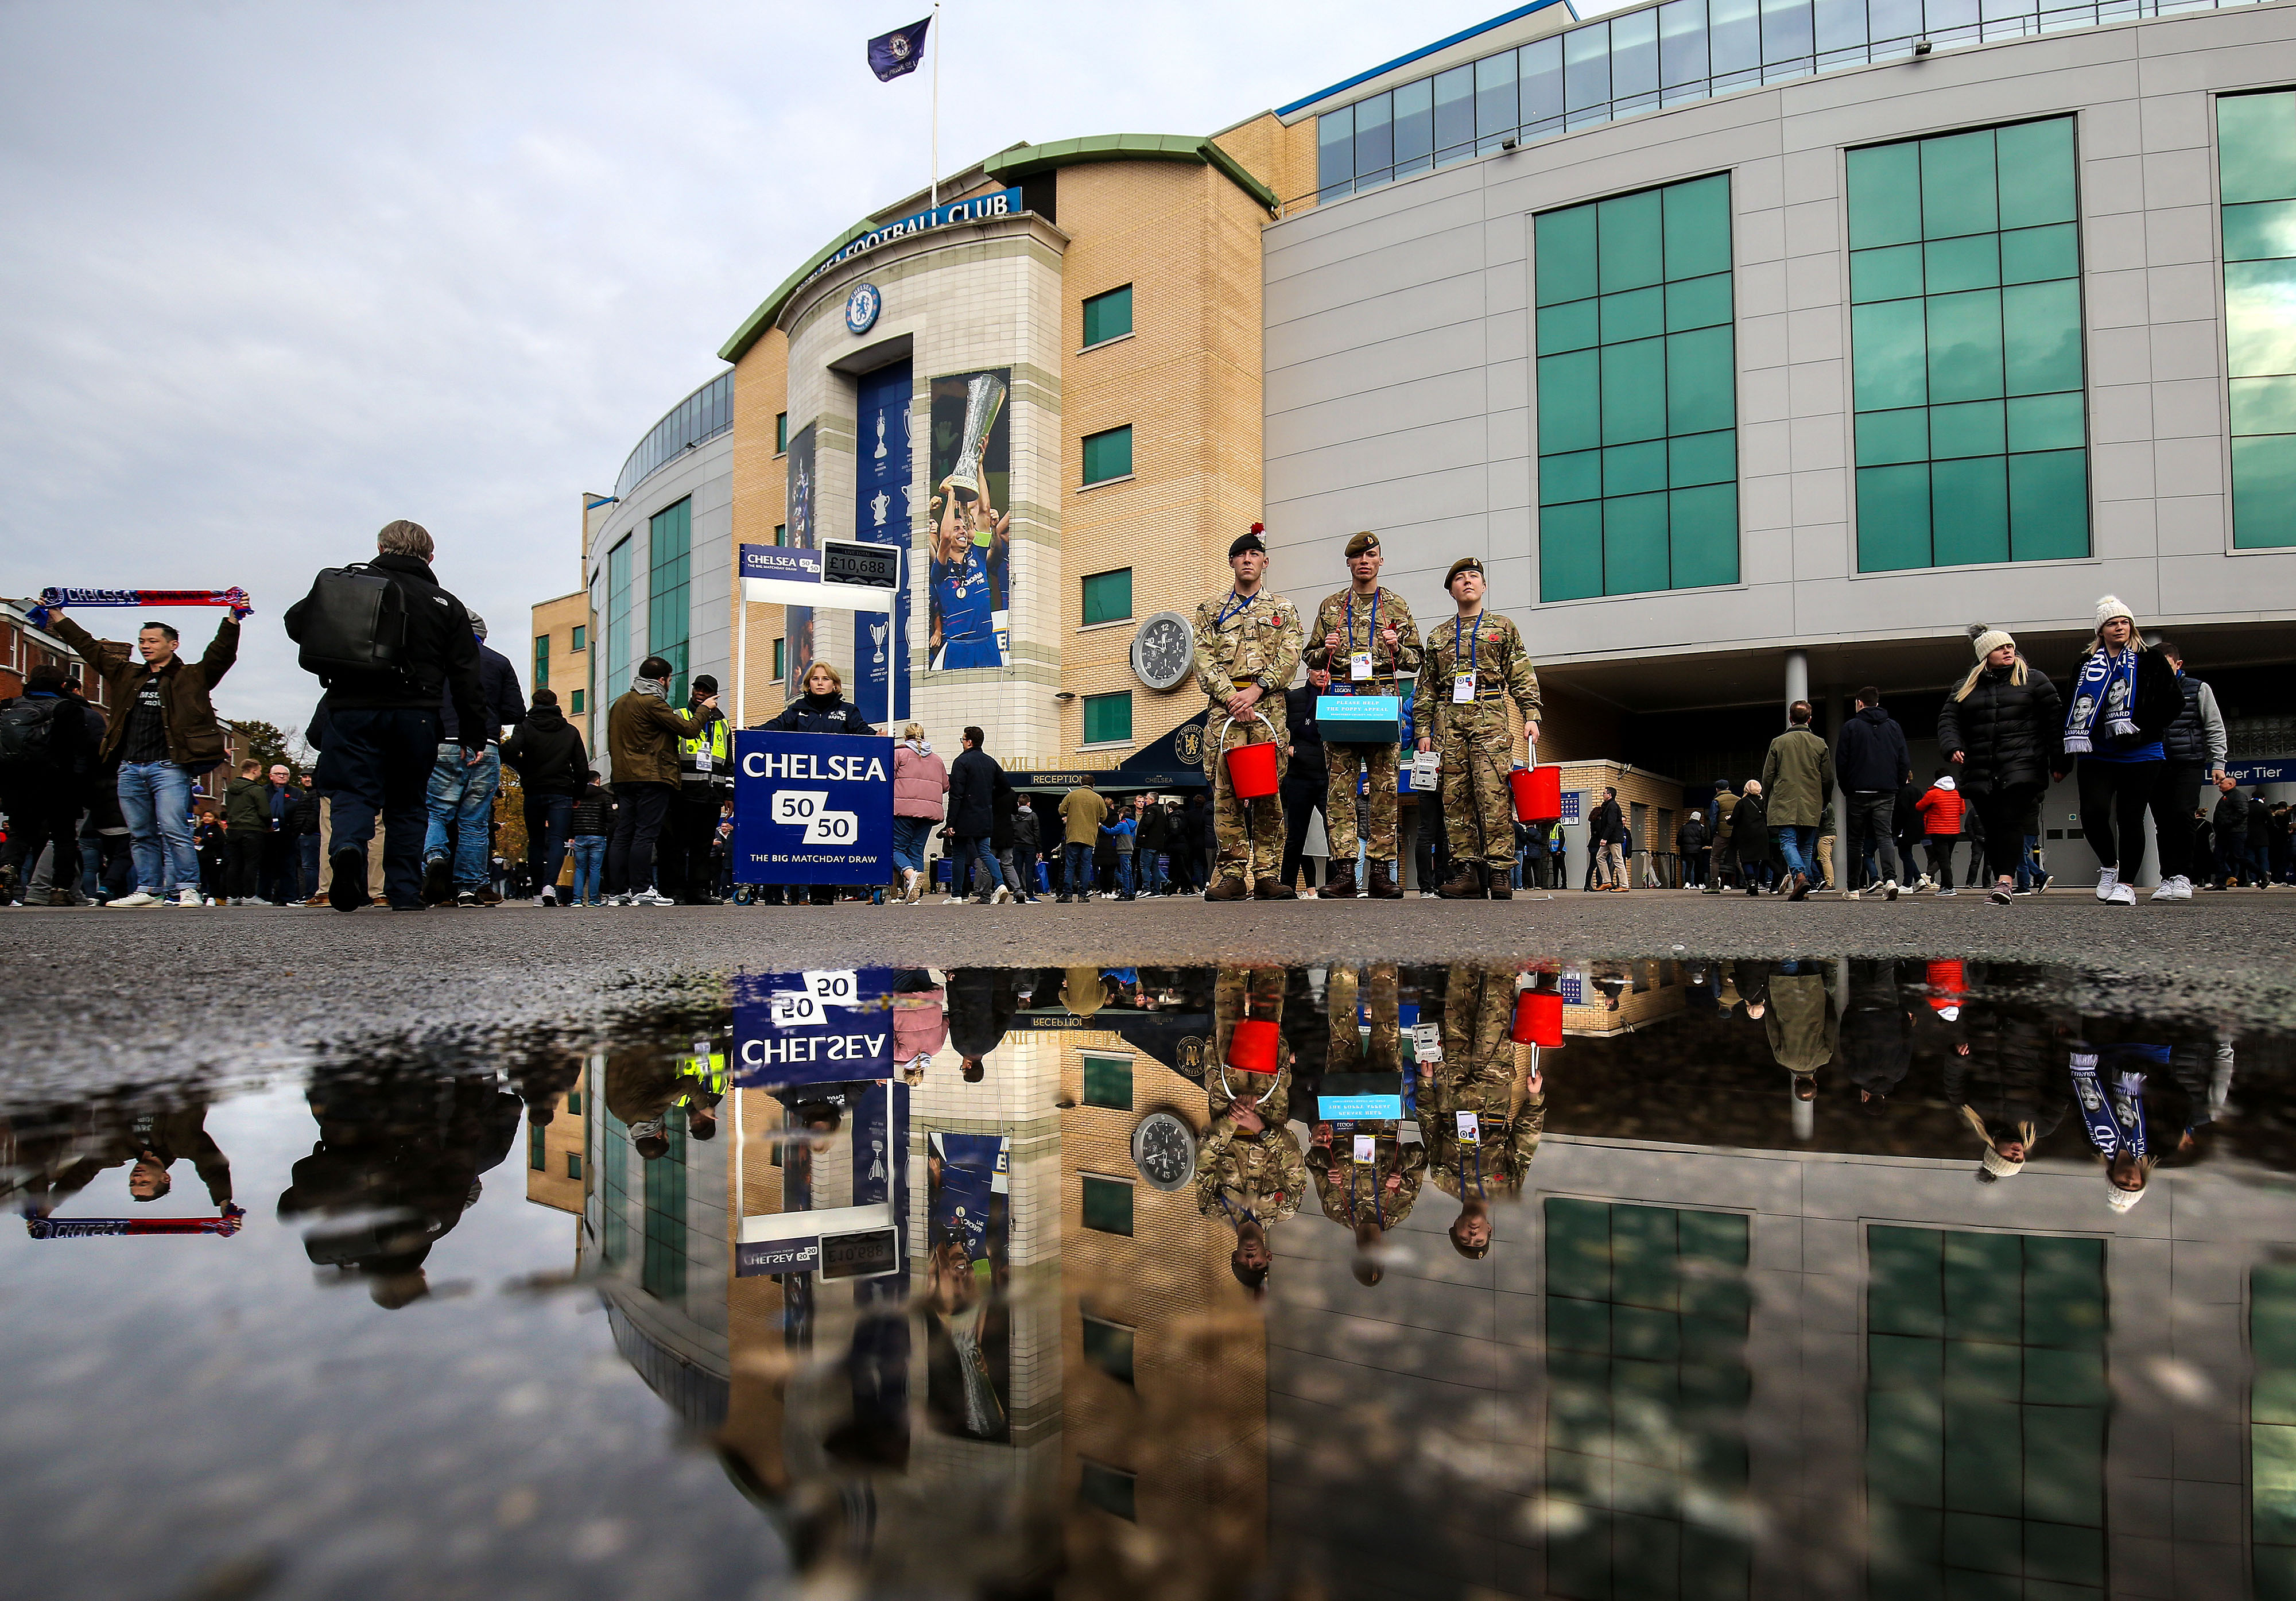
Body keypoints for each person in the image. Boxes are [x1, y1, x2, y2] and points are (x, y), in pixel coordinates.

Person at [286, 520, 487, 912]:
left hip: (352, 706)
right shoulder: (445, 604)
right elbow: (466, 675)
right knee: (408, 803)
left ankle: (347, 849)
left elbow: (296, 623)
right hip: (418, 714)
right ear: (430, 557)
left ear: (380, 546)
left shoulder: (349, 584)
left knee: (351, 790)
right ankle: (404, 890)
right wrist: (472, 734)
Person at [40, 598, 243, 909]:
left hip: (169, 767)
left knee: (175, 828)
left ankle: (187, 888)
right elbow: (89, 648)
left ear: (173, 645)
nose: (145, 646)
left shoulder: (192, 676)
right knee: (140, 833)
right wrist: (56, 615)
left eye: (152, 641)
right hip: (130, 767)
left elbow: (221, 654)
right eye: (141, 641)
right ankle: (149, 890)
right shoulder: (127, 674)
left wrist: (232, 619)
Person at [1304, 532, 1423, 899]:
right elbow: (1308, 658)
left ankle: (1381, 873)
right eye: (1358, 557)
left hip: (1382, 699)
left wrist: (1396, 647)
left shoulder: (1396, 605)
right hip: (1342, 698)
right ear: (1350, 564)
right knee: (1339, 792)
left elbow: (1417, 660)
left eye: (1371, 555)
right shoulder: (1331, 606)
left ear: (1380, 562)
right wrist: (1325, 651)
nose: (1364, 562)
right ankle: (1343, 873)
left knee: (1385, 790)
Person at [1414, 557, 1540, 900]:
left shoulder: (1503, 626)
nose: (1467, 582)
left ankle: (1500, 873)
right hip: (1449, 717)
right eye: (1459, 578)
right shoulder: (1438, 635)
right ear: (1451, 590)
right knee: (1455, 796)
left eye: (1474, 577)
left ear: (1484, 586)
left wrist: (1530, 715)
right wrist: (1423, 730)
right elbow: (1426, 687)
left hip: (1490, 714)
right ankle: (1466, 872)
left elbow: (1521, 673)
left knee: (1494, 792)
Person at [1192, 525, 1303, 899]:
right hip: (1226, 713)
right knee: (1226, 795)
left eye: (1254, 554)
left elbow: (1290, 657)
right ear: (1231, 562)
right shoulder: (1210, 611)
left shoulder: (1283, 609)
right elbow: (1203, 660)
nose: (1247, 560)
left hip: (1268, 709)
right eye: (1241, 555)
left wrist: (1256, 691)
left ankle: (1269, 874)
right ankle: (1232, 874)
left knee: (1268, 793)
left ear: (1264, 561)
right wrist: (1232, 697)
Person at [2060, 596, 2179, 905]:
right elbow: (2072, 709)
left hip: (2141, 752)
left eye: (2125, 622)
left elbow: (2173, 702)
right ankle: (2109, 865)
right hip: (2096, 751)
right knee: (2093, 813)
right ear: (2101, 630)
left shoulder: (2149, 659)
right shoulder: (2084, 664)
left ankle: (2126, 884)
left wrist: (2142, 728)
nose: (2120, 628)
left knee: (2130, 817)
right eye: (2113, 623)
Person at [1197, 966, 1308, 1295]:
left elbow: (1202, 1158)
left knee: (1227, 1020)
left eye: (1243, 1263)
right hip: (1269, 1104)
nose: (1250, 1259)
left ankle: (1234, 958)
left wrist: (1233, 1120)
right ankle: (1269, 960)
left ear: (1234, 1256)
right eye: (1258, 1264)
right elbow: (1294, 1159)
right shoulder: (1286, 1207)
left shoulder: (1212, 1207)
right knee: (1268, 1020)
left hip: (1227, 1100)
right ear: (1267, 1256)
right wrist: (1260, 1128)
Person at [1425, 963, 1545, 1259]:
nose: (1473, 1235)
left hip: (1452, 1084)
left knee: (1457, 1009)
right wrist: (1534, 1098)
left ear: (1455, 1226)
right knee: (1495, 1009)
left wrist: (1426, 1083)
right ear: (1490, 1230)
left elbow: (1430, 1126)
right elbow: (1524, 1145)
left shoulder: (1443, 1180)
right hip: (1492, 1086)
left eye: (1465, 1238)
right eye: (1479, 1241)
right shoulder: (1508, 1188)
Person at [419, 610, 524, 908]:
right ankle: (470, 886)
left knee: (437, 812)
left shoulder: (434, 660)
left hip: (442, 743)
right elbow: (516, 712)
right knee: (475, 822)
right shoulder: (499, 662)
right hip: (485, 745)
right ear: (484, 635)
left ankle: (434, 858)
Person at [606, 653, 718, 907]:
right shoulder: (653, 703)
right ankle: (642, 889)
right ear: (662, 679)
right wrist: (704, 710)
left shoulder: (620, 703)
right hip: (651, 776)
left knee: (624, 833)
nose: (669, 683)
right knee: (646, 833)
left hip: (623, 777)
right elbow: (688, 730)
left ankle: (618, 891)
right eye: (669, 679)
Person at [0, 664, 97, 906]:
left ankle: (7, 868)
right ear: (62, 685)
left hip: (17, 782)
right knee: (64, 837)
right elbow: (84, 750)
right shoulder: (68, 709)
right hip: (60, 784)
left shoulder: (9, 706)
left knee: (19, 833)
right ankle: (59, 889)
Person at [502, 687, 589, 906]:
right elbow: (581, 767)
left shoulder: (525, 726)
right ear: (556, 704)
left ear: (533, 704)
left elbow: (510, 750)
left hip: (533, 789)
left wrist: (523, 769)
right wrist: (577, 794)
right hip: (561, 791)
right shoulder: (570, 731)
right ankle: (551, 885)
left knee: (536, 842)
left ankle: (539, 892)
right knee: (558, 840)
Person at [662, 674, 733, 905]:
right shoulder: (680, 716)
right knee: (678, 845)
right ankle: (675, 891)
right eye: (697, 688)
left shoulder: (723, 725)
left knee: (703, 847)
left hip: (712, 796)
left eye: (706, 689)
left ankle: (698, 891)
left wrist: (729, 795)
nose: (700, 692)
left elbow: (728, 763)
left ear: (715, 694)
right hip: (685, 793)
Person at [1835, 685, 1910, 900]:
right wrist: (1897, 784)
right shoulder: (1893, 727)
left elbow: (1842, 761)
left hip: (1858, 790)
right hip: (1886, 790)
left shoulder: (1850, 727)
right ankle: (1890, 880)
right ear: (1877, 703)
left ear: (1859, 703)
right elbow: (1904, 760)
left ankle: (1853, 888)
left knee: (1856, 841)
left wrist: (1846, 787)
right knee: (1885, 836)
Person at [1759, 702, 1835, 901]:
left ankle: (1800, 877)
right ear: (1810, 719)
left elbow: (1768, 776)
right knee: (1807, 846)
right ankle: (1802, 886)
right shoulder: (1820, 743)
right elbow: (1828, 778)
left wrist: (1766, 800)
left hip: (1785, 799)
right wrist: (1824, 801)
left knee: (1788, 841)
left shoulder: (1778, 742)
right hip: (1812, 801)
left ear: (1790, 718)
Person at [1279, 673, 1328, 894]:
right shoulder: (1293, 697)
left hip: (1329, 775)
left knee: (1336, 833)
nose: (1323, 673)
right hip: (1298, 775)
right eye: (1317, 668)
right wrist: (1289, 749)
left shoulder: (1340, 694)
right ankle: (1286, 885)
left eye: (1326, 669)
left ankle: (1338, 884)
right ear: (1309, 672)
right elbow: (1277, 724)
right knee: (1296, 836)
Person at [944, 726, 1003, 905]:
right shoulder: (990, 762)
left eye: (963, 739)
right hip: (984, 815)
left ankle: (956, 895)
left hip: (964, 816)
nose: (962, 742)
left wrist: (950, 822)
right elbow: (1005, 786)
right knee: (985, 852)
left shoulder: (961, 762)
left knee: (959, 855)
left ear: (969, 742)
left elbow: (956, 794)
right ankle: (1000, 885)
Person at [891, 722, 948, 904]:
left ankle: (910, 874)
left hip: (903, 810)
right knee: (916, 850)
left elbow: (884, 778)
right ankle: (914, 895)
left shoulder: (898, 754)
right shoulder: (937, 760)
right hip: (929, 812)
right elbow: (946, 785)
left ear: (905, 737)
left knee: (894, 849)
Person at [217, 758, 271, 906]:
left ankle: (232, 896)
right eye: (259, 769)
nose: (260, 772)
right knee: (251, 863)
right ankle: (249, 896)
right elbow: (265, 812)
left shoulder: (231, 788)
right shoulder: (257, 790)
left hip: (233, 829)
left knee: (234, 863)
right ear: (254, 770)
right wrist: (268, 825)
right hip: (252, 829)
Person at [1913, 769, 1966, 896]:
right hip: (1954, 832)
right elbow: (1962, 811)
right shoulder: (1957, 794)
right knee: (1947, 859)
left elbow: (1919, 807)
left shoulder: (1933, 793)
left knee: (1943, 860)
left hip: (1938, 831)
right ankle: (1944, 885)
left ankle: (1949, 887)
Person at [1057, 775, 1107, 903]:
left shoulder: (1072, 795)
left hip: (1073, 835)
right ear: (1093, 785)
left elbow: (1062, 811)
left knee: (1070, 866)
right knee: (1085, 866)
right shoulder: (1098, 798)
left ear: (1081, 783)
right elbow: (1104, 816)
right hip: (1089, 837)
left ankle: (1067, 895)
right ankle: (1082, 895)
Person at [567, 774, 611, 906]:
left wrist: (571, 834)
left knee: (580, 869)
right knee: (595, 869)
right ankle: (593, 900)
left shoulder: (576, 795)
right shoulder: (604, 796)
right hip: (598, 835)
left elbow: (570, 816)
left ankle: (577, 900)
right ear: (598, 780)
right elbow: (610, 817)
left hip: (580, 835)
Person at [289, 772, 324, 904]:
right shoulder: (308, 794)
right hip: (308, 835)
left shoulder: (315, 795)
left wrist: (305, 831)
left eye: (310, 777)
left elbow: (315, 814)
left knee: (310, 866)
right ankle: (309, 894)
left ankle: (310, 895)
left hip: (311, 835)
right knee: (309, 866)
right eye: (304, 777)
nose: (307, 779)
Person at [1733, 780, 1771, 894]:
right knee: (1757, 860)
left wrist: (1728, 820)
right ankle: (1757, 882)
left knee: (1746, 860)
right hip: (1761, 834)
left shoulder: (1742, 803)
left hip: (1746, 834)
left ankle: (1752, 882)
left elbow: (1734, 819)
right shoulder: (1764, 803)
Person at [1587, 786, 1627, 892]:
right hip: (1610, 838)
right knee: (1600, 857)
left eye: (1604, 793)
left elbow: (1611, 823)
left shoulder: (1612, 806)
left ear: (1610, 795)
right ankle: (1607, 882)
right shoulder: (1608, 806)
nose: (1602, 795)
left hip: (1613, 838)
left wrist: (1605, 838)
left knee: (1618, 860)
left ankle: (1624, 885)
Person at [1704, 780, 1739, 894]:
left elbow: (1713, 820)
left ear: (1717, 789)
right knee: (1739, 859)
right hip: (1736, 834)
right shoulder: (1738, 800)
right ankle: (1751, 882)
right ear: (1728, 787)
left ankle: (1714, 885)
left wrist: (1714, 834)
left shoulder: (1717, 801)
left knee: (1715, 859)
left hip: (1722, 835)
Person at [1110, 799, 1138, 900]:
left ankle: (1125, 893)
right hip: (1130, 849)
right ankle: (1131, 892)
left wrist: (1101, 826)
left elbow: (1111, 831)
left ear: (1122, 814)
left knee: (1125, 872)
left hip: (1123, 850)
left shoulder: (1123, 824)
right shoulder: (1132, 825)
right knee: (1129, 872)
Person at [1677, 810, 1707, 889]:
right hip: (1698, 850)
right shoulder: (1701, 827)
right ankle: (1700, 884)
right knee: (1699, 867)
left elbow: (1679, 839)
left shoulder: (1684, 827)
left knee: (1688, 867)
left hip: (1686, 850)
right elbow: (1704, 839)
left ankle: (1687, 883)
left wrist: (1683, 846)